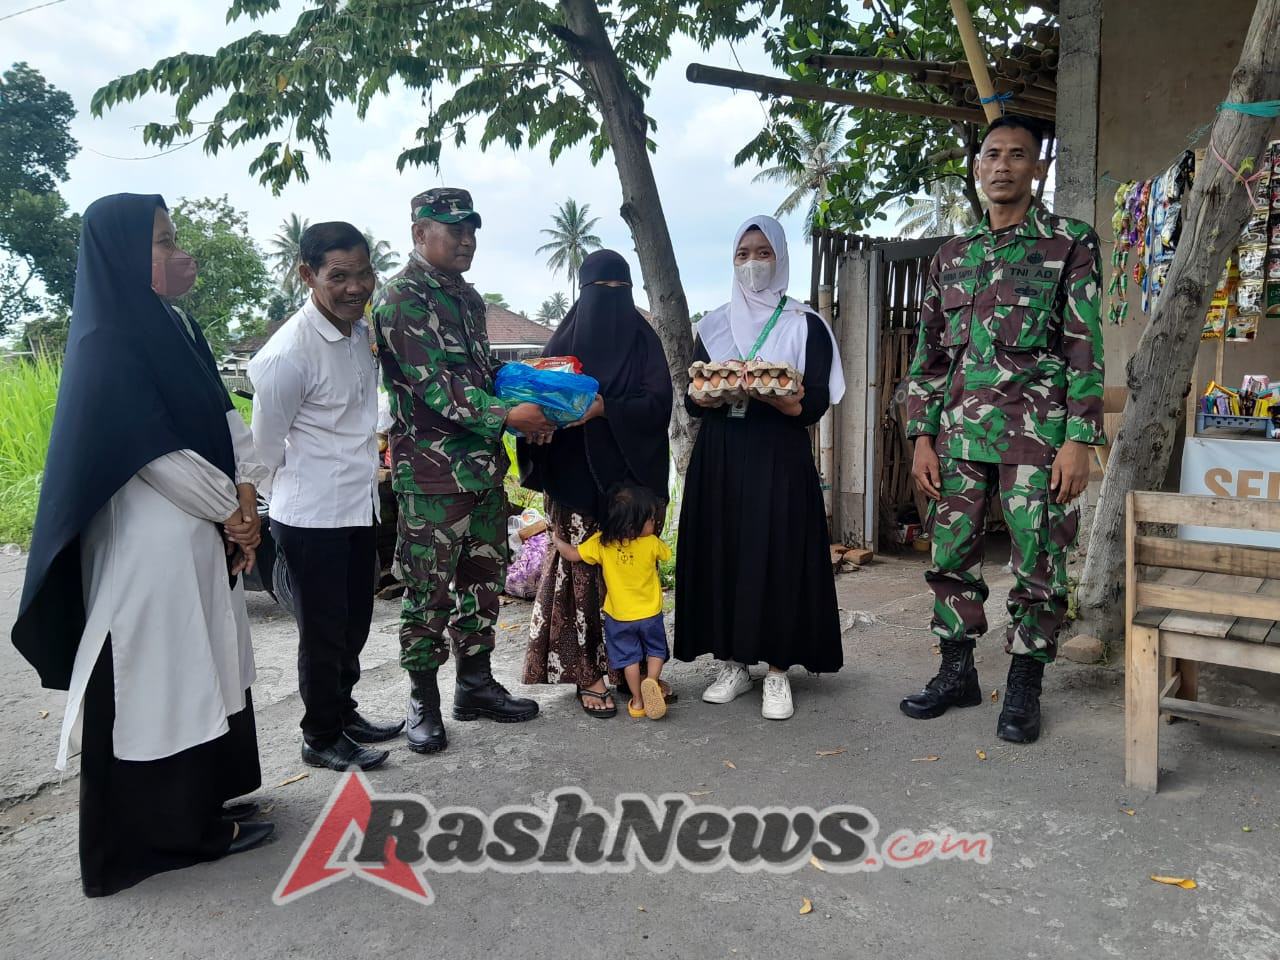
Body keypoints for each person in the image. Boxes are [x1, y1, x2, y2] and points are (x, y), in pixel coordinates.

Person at [10, 194, 272, 898]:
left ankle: (204, 805)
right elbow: (153, 454)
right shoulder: (106, 342)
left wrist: (248, 503)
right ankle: (166, 835)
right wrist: (233, 513)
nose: (176, 251)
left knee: (209, 668)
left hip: (202, 532)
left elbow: (223, 417)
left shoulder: (174, 326)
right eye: (161, 240)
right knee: (162, 682)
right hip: (148, 545)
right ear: (121, 252)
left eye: (173, 236)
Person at [901, 114, 1104, 744]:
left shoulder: (1069, 243)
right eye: (992, 154)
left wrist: (1079, 439)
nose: (1003, 166)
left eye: (1018, 155)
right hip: (959, 437)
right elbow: (930, 355)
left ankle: (1023, 685)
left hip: (1038, 439)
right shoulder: (952, 256)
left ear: (1037, 168)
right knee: (950, 555)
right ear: (977, 167)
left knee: (1039, 560)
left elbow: (1084, 348)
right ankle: (956, 672)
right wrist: (922, 437)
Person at [373, 187, 549, 754]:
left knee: (483, 582)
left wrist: (537, 403)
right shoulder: (402, 299)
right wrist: (507, 415)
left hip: (483, 473)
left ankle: (474, 686)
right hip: (430, 477)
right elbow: (435, 386)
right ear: (419, 233)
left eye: (472, 229)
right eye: (454, 230)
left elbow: (480, 371)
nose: (467, 239)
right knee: (428, 591)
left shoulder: (469, 300)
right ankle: (423, 698)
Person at [674, 215, 846, 721]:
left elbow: (812, 404)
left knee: (778, 550)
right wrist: (712, 392)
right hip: (722, 453)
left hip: (778, 453)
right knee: (723, 546)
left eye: (762, 252)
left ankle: (776, 670)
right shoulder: (714, 324)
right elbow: (693, 398)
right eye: (742, 254)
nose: (752, 263)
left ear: (780, 256)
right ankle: (732, 663)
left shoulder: (804, 323)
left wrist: (777, 396)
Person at [249, 221, 404, 773]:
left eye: (364, 273)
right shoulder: (287, 355)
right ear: (308, 275)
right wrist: (266, 509)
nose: (356, 286)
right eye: (339, 276)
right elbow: (264, 449)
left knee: (355, 620)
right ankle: (320, 735)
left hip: (359, 505)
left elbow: (362, 411)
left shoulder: (360, 333)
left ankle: (344, 710)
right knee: (321, 632)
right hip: (311, 515)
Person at [518, 249, 674, 718]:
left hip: (634, 486)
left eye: (617, 292)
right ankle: (588, 672)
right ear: (580, 295)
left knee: (632, 576)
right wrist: (543, 425)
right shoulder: (559, 347)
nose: (608, 302)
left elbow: (659, 405)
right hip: (577, 484)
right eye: (597, 292)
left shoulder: (646, 342)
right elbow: (535, 405)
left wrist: (607, 408)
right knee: (580, 577)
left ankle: (637, 674)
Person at [552, 484, 671, 719]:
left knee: (630, 659)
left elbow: (573, 555)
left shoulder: (602, 543)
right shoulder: (650, 543)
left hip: (619, 618)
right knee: (656, 651)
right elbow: (666, 554)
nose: (653, 525)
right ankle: (652, 681)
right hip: (650, 615)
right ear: (634, 525)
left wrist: (557, 540)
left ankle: (638, 701)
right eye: (649, 520)